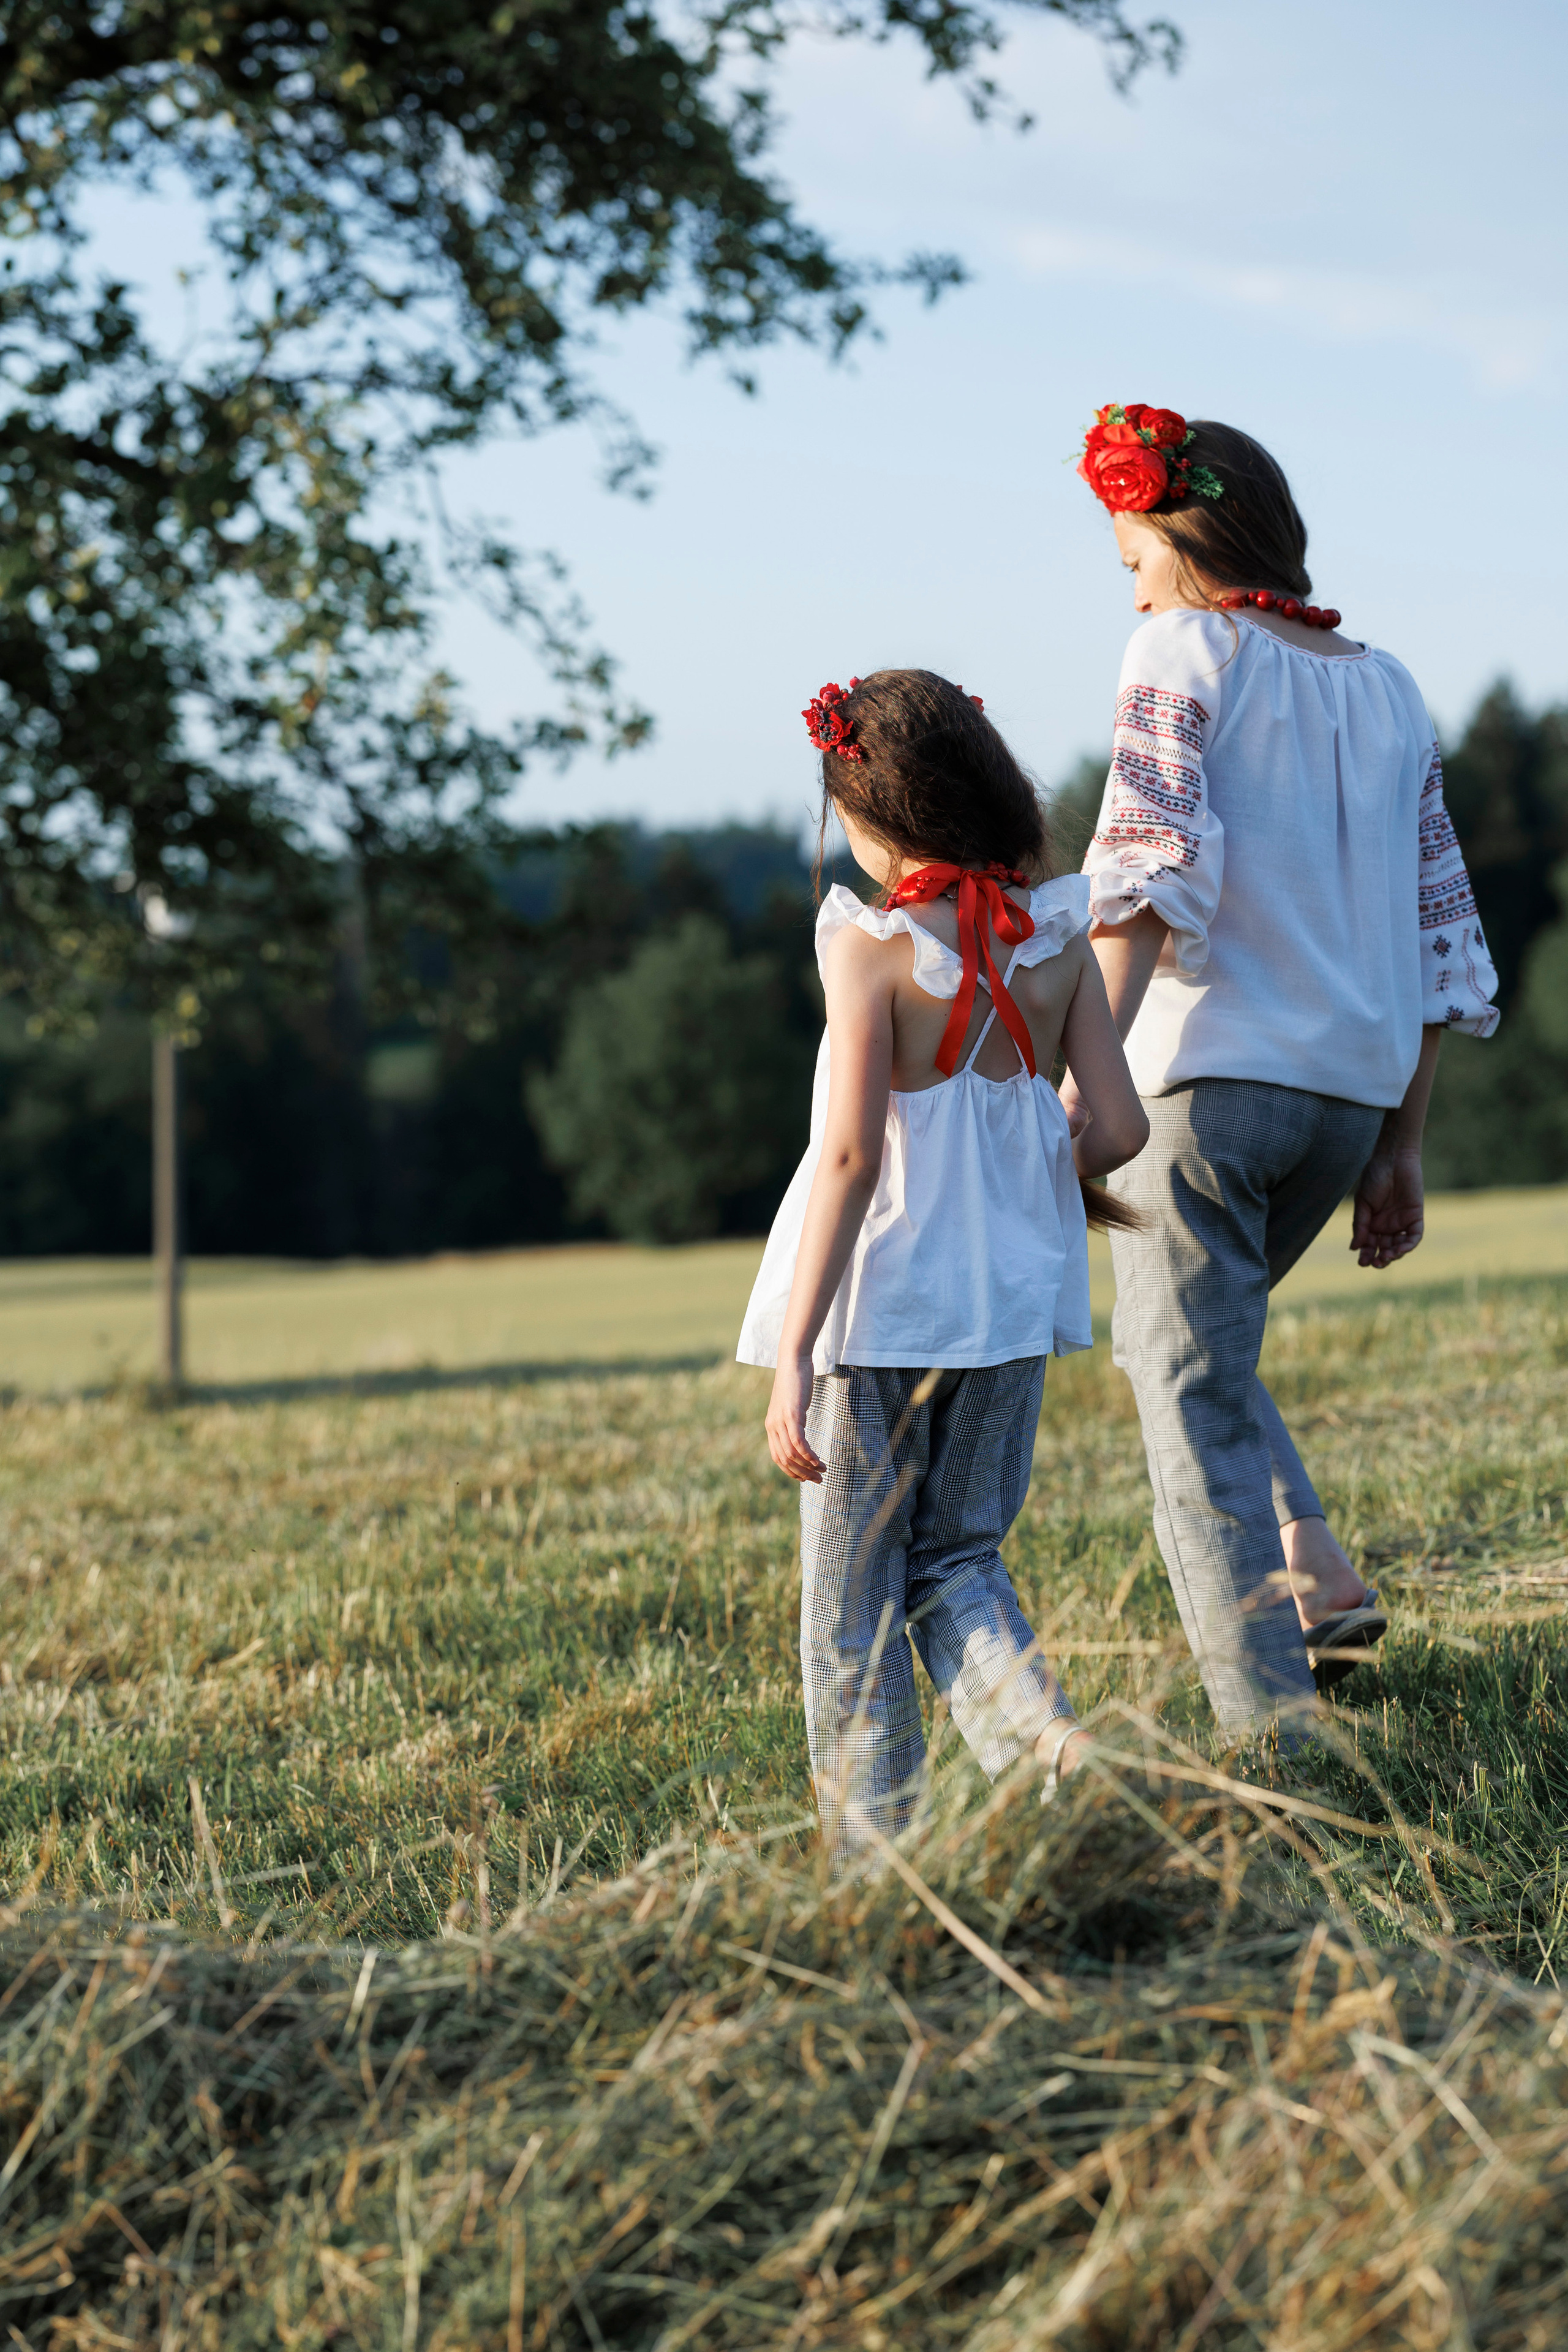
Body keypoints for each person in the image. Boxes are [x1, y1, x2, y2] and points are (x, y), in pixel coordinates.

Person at [1067, 404, 1499, 1742]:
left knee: (1183, 1393)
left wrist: (1088, 1081)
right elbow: (1436, 928)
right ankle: (1315, 1571)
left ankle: (1269, 1734)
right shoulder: (1385, 683)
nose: (1118, 568)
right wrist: (1399, 1146)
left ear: (1180, 532)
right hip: (1344, 1099)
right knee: (1192, 1344)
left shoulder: (1177, 647)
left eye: (1126, 538)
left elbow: (1142, 873)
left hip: (1198, 1084)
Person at [737, 669, 1148, 1862]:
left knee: (849, 1604)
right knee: (959, 1557)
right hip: (1008, 1306)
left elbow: (852, 1153)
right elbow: (1114, 1129)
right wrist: (1026, 1172)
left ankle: (881, 1868)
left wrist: (794, 1350)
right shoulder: (1057, 937)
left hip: (877, 1319)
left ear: (874, 819)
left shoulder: (868, 947)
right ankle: (1055, 1761)